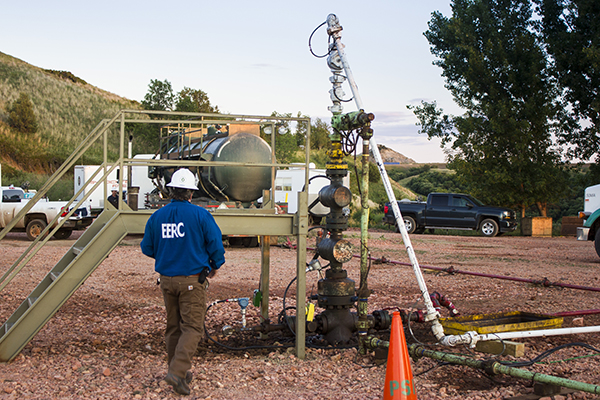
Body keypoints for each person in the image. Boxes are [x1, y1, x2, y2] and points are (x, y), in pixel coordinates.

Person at [140, 168, 225, 396]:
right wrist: (215, 265)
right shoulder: (200, 215)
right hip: (192, 281)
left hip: (167, 281)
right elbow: (216, 245)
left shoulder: (157, 216)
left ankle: (177, 372)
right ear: (191, 193)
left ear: (171, 191)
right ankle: (177, 372)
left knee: (173, 327)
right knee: (193, 328)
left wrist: (168, 256)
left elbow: (147, 247)